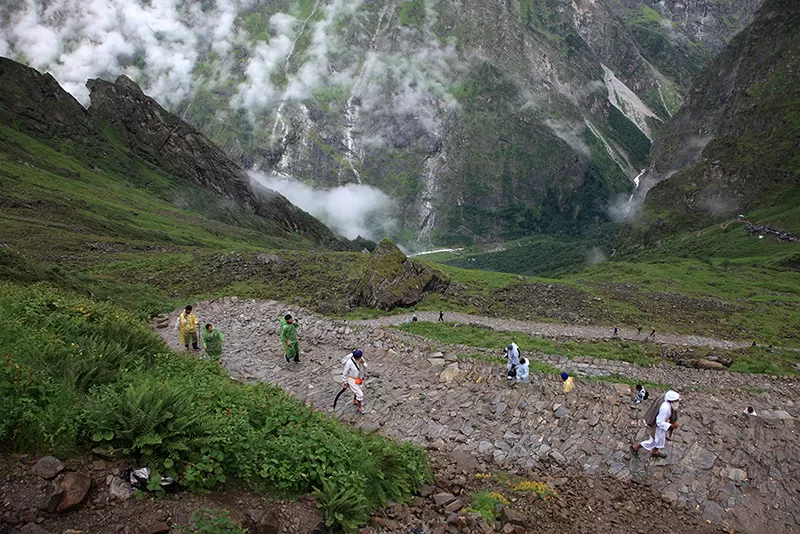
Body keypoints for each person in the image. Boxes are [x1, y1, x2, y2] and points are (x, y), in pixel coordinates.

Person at [631, 390, 680, 459]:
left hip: (661, 427)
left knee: (660, 440)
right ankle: (635, 447)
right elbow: (659, 422)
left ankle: (655, 452)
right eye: (676, 400)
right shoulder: (665, 408)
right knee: (652, 442)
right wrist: (671, 426)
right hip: (657, 428)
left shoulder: (668, 404)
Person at [341, 349, 367, 414]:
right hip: (352, 379)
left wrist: (363, 363)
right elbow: (345, 373)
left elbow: (366, 366)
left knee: (358, 390)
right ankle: (360, 406)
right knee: (360, 394)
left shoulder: (360, 359)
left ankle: (355, 400)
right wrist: (345, 382)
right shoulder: (349, 363)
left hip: (359, 378)